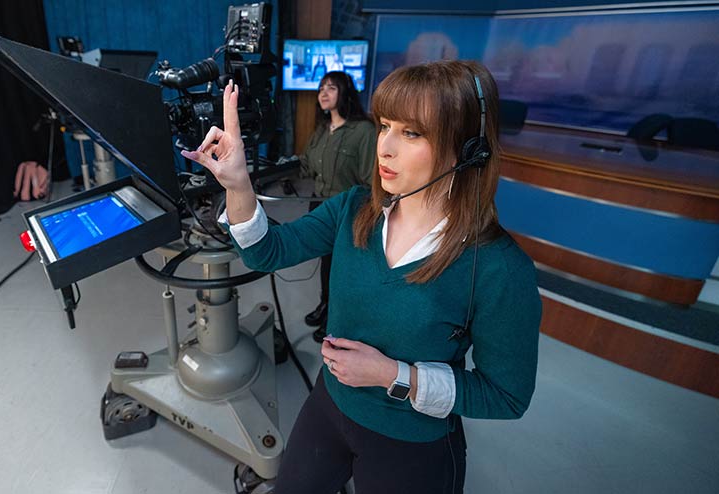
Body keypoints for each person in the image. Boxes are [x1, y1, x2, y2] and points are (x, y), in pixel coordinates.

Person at [182, 60, 542, 494]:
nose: (384, 148)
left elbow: (506, 396)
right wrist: (238, 185)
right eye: (384, 125)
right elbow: (264, 251)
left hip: (412, 441)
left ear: (468, 149)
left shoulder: (499, 269)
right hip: (330, 406)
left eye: (412, 133)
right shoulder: (353, 208)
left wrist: (393, 374)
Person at [299, 71, 376, 342]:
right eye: (321, 88)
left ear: (344, 93)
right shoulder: (322, 130)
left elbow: (370, 179)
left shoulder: (364, 131)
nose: (323, 93)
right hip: (319, 207)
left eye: (331, 88)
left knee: (341, 267)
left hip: (347, 212)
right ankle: (324, 304)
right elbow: (306, 165)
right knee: (325, 261)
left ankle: (335, 315)